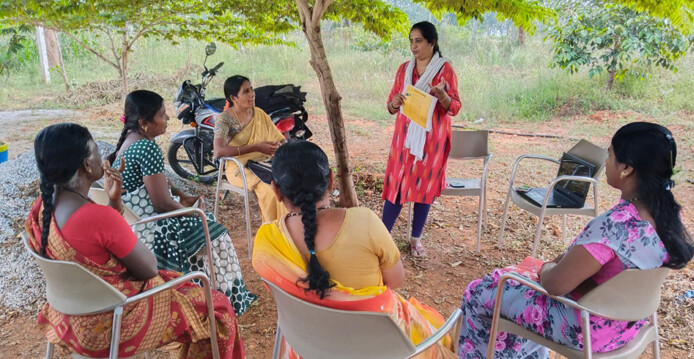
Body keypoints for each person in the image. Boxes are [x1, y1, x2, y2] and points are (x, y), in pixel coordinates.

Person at [458, 122, 694, 358]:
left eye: (610, 153)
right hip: (626, 326)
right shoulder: (669, 218)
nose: (607, 159)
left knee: (483, 291)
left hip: (584, 328)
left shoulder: (614, 226)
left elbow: (555, 285)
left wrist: (546, 268)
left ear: (626, 169)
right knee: (516, 290)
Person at [27, 123, 245, 359]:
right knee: (218, 306)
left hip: (69, 317)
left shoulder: (41, 210)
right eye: (96, 151)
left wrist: (114, 202)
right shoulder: (98, 217)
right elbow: (149, 270)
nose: (102, 157)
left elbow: (97, 248)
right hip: (112, 323)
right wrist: (111, 213)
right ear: (86, 164)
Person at [252, 140, 458, 358]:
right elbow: (396, 280)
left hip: (312, 346)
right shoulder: (365, 222)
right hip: (379, 348)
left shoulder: (267, 241)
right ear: (330, 180)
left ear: (276, 190)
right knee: (437, 328)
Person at [107, 90, 256, 315]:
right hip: (156, 228)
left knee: (206, 223)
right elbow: (162, 204)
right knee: (216, 231)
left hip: (137, 224)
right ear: (144, 123)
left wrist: (181, 196)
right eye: (162, 115)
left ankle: (205, 290)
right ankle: (225, 299)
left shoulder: (128, 143)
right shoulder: (147, 148)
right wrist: (195, 213)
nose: (167, 119)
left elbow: (156, 184)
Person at [382, 21, 461, 257]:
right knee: (397, 184)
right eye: (411, 41)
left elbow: (454, 107)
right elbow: (390, 105)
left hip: (431, 140)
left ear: (431, 42)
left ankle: (415, 239)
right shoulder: (404, 69)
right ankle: (383, 236)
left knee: (423, 188)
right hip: (404, 139)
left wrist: (443, 95)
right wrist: (394, 103)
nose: (413, 46)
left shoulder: (445, 70)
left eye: (418, 41)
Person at [213, 75, 287, 223]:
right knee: (272, 190)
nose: (252, 93)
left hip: (265, 163)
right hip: (239, 168)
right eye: (246, 91)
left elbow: (281, 139)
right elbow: (219, 151)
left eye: (251, 89)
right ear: (234, 98)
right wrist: (256, 147)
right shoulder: (224, 119)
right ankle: (273, 231)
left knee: (291, 181)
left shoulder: (259, 113)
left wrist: (281, 147)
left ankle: (292, 228)